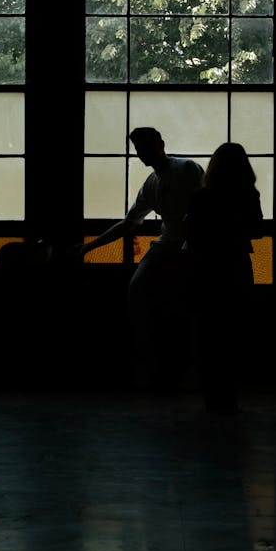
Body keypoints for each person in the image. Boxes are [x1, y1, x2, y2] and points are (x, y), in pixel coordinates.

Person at [75, 127, 204, 390]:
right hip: (169, 241)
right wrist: (90, 247)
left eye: (146, 147)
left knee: (184, 300)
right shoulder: (151, 183)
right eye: (139, 148)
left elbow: (204, 207)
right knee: (137, 288)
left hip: (195, 242)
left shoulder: (188, 169)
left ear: (161, 145)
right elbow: (129, 223)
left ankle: (180, 362)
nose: (142, 153)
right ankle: (152, 358)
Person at [184, 141, 265, 415]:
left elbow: (191, 236)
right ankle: (228, 396)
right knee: (232, 332)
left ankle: (211, 395)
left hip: (206, 269)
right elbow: (257, 231)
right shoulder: (248, 195)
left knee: (208, 334)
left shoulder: (200, 197)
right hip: (235, 266)